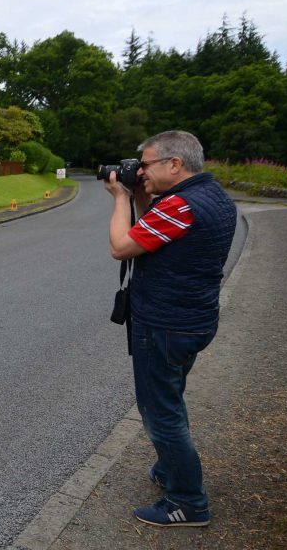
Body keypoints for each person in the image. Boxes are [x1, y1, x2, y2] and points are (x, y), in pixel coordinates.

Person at [103, 130, 237, 527]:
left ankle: (188, 501)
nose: (139, 170)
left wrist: (122, 198)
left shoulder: (180, 205)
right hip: (192, 319)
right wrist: (143, 195)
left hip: (164, 325)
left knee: (160, 414)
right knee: (170, 399)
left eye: (145, 164)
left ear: (174, 164)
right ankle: (169, 470)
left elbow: (121, 247)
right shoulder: (213, 197)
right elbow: (157, 231)